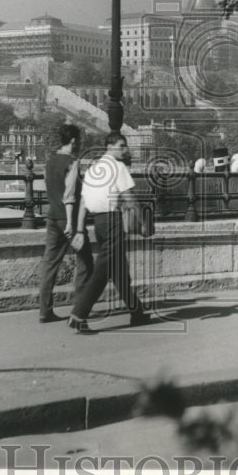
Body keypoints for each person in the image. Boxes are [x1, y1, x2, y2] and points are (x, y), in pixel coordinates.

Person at [68, 133, 150, 334]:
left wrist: (80, 229)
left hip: (98, 223)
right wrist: (143, 223)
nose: (125, 150)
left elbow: (84, 204)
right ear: (110, 146)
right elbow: (130, 199)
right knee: (102, 272)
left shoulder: (92, 170)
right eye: (122, 146)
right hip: (113, 221)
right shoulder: (118, 167)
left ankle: (137, 311)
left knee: (119, 271)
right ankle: (79, 314)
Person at [38, 123, 92, 323]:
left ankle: (45, 310)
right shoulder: (72, 162)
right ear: (73, 140)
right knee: (86, 261)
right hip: (67, 219)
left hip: (52, 217)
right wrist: (71, 223)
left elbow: (52, 189)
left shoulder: (50, 161)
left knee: (49, 264)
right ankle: (79, 309)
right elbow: (69, 195)